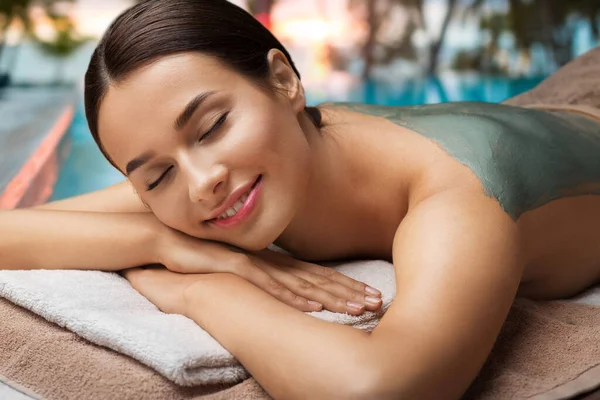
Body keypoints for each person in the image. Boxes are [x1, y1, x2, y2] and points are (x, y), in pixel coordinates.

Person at [1, 0, 600, 398]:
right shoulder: (225, 172)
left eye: (210, 127)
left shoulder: (459, 194)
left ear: (285, 81)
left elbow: (379, 388)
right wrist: (158, 241)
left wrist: (198, 290)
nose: (200, 180)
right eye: (154, 178)